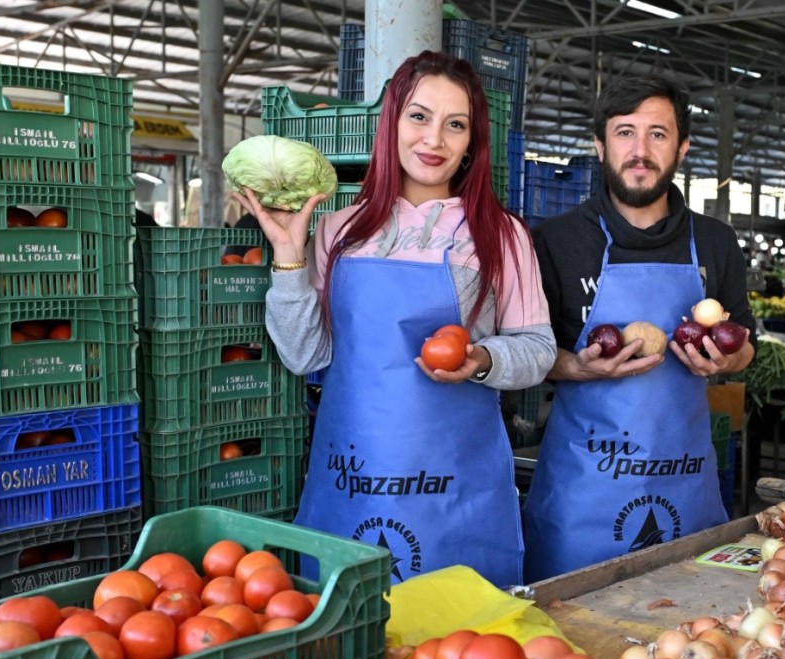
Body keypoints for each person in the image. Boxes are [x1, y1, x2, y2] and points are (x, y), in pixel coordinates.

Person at [235, 50, 556, 588]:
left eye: (455, 125)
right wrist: (290, 257)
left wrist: (481, 359)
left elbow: (538, 348)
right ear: (391, 123)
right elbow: (304, 355)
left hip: (454, 490)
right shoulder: (338, 230)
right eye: (419, 116)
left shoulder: (501, 235)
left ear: (471, 143)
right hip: (353, 479)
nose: (434, 140)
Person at [522, 73, 757, 583]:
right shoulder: (556, 242)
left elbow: (746, 343)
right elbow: (531, 355)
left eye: (658, 133)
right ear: (600, 144)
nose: (640, 149)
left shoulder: (715, 242)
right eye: (625, 132)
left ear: (683, 147)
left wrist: (729, 359)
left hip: (685, 488)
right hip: (582, 496)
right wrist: (578, 368)